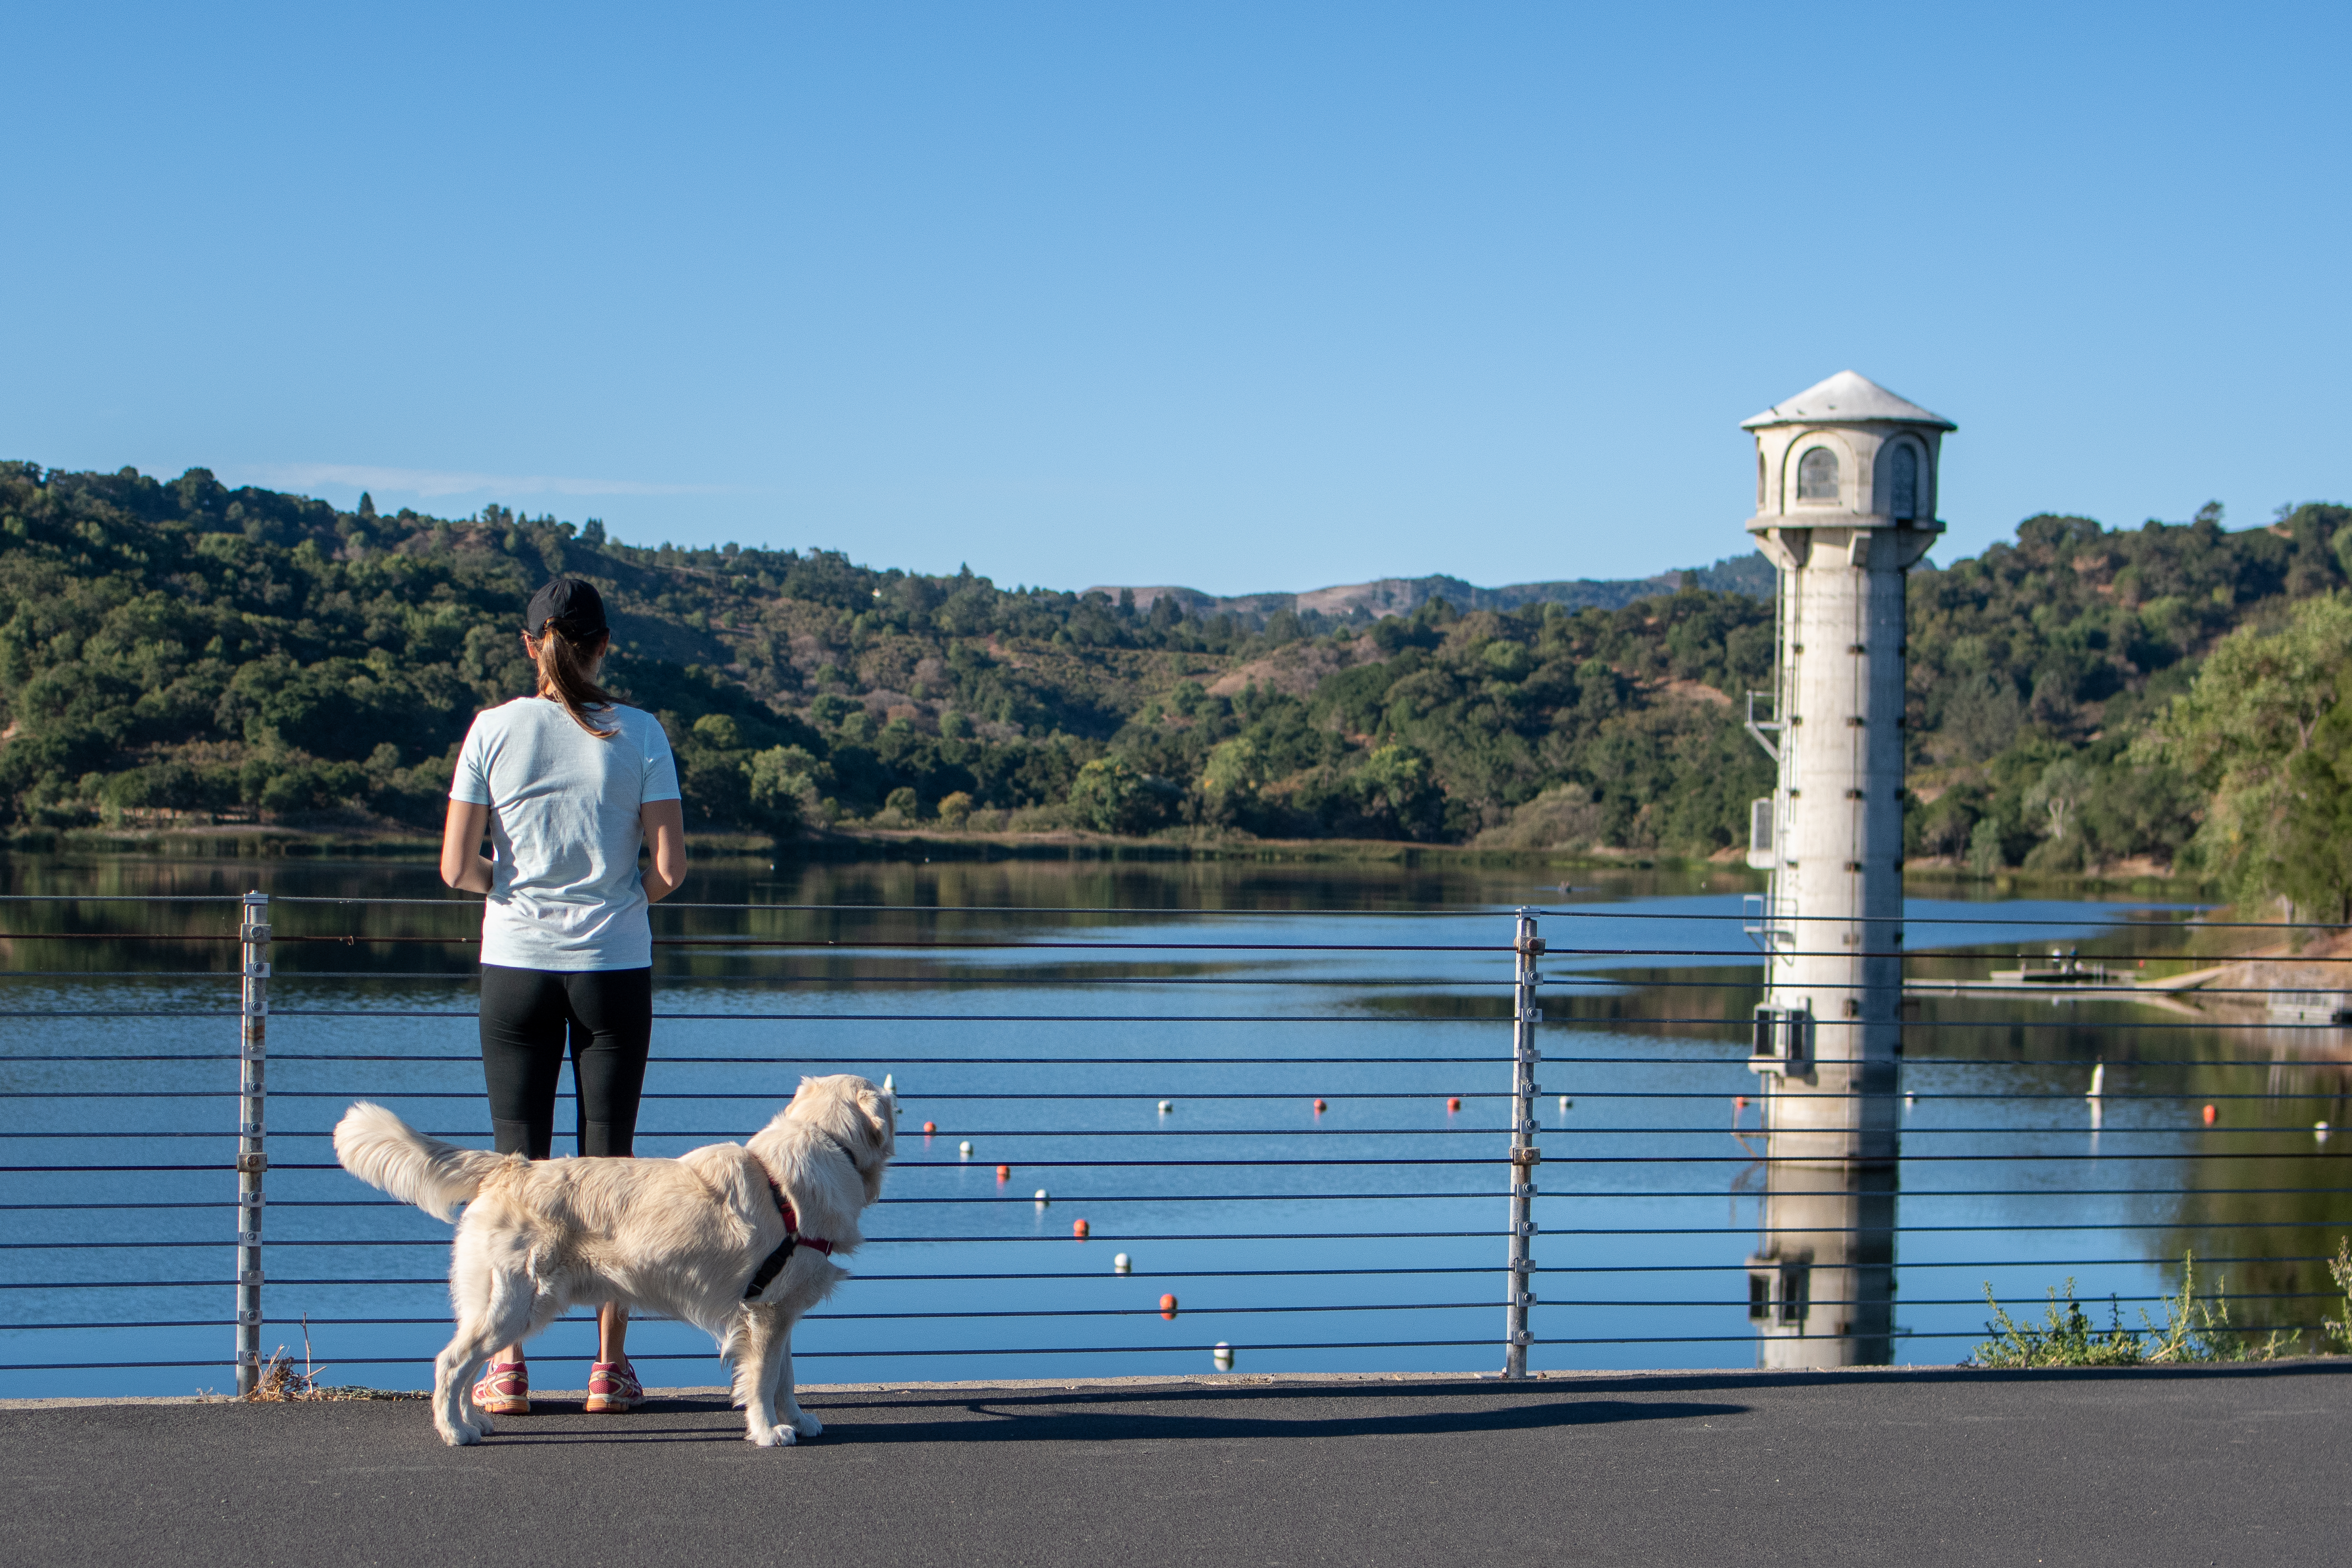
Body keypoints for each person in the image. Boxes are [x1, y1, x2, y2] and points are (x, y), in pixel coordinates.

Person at [438, 578, 687, 1416]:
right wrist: (616, 904)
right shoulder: (642, 733)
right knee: (612, 1167)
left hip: (514, 964)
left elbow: (457, 866)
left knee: (517, 1167)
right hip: (612, 966)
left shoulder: (491, 729)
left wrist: (509, 896)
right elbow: (670, 868)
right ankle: (608, 1372)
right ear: (605, 645)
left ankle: (506, 1367)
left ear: (530, 643)